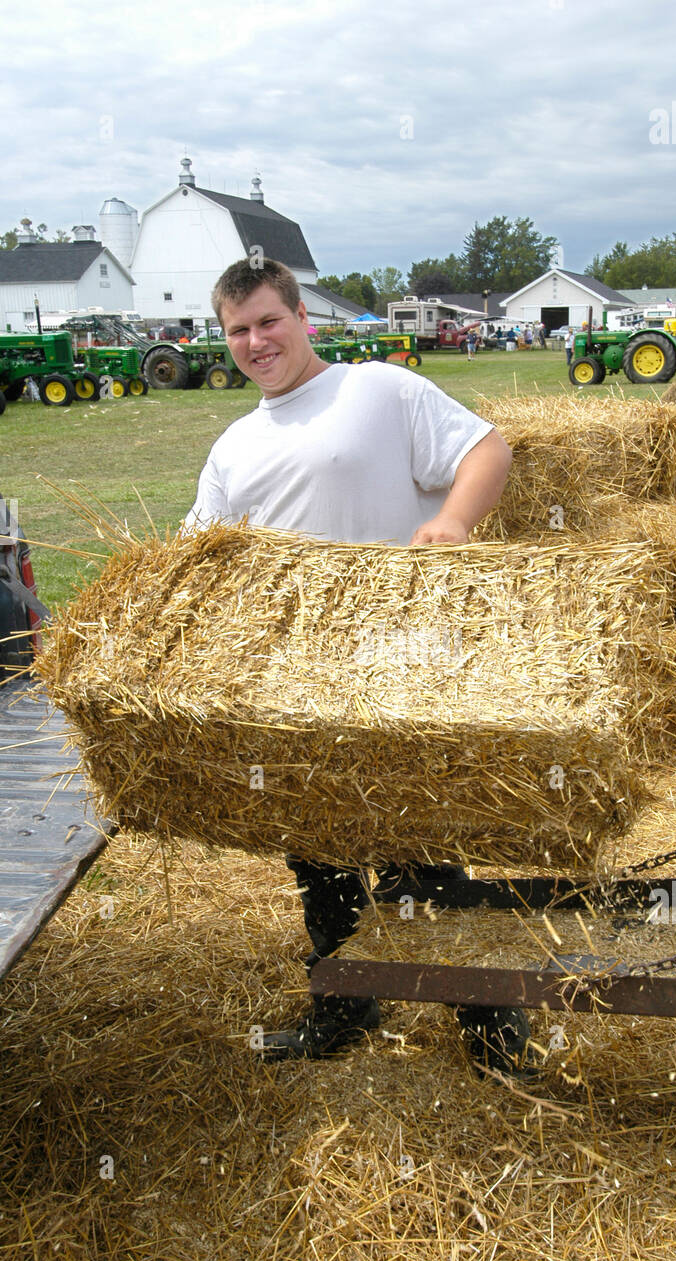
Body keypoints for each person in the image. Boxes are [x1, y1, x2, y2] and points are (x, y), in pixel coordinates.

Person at [185, 257, 529, 1075]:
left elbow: (489, 449)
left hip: (397, 664)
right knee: (316, 852)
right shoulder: (233, 447)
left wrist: (451, 521)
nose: (256, 341)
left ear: (303, 316)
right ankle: (344, 1004)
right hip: (294, 682)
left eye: (269, 320)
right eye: (238, 330)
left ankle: (489, 1023)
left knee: (419, 848)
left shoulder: (377, 388)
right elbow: (199, 556)